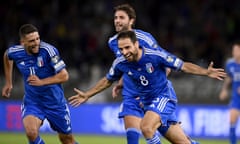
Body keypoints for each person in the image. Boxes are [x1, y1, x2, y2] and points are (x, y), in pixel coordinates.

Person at [69, 30, 226, 144]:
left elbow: (183, 66)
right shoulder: (120, 63)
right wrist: (88, 94)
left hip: (164, 97)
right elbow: (108, 80)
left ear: (136, 44)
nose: (124, 52)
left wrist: (205, 72)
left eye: (127, 47)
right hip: (147, 104)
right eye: (121, 49)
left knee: (146, 127)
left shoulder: (155, 56)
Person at [109, 4, 198, 144]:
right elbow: (127, 66)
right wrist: (120, 83)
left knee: (181, 141)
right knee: (135, 137)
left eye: (121, 17)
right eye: (115, 18)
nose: (117, 21)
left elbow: (163, 63)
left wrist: (152, 89)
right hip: (131, 95)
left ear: (131, 20)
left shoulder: (145, 39)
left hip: (154, 95)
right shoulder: (112, 42)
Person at [1, 24, 78, 144]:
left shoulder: (48, 51)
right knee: (31, 133)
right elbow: (7, 56)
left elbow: (64, 75)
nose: (36, 43)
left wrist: (41, 82)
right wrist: (8, 82)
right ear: (23, 42)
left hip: (55, 102)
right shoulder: (16, 52)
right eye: (32, 40)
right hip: (33, 102)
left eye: (37, 39)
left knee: (66, 139)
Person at [219, 42, 240, 144]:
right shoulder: (230, 64)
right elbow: (229, 78)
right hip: (236, 98)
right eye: (233, 50)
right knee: (232, 122)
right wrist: (225, 89)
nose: (234, 52)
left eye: (236, 50)